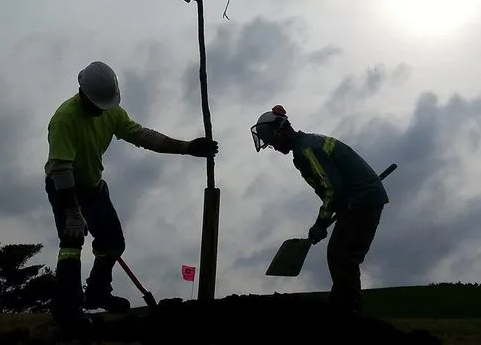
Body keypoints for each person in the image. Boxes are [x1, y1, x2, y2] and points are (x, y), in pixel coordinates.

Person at [44, 60, 219, 329]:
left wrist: (187, 147)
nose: (100, 110)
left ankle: (97, 293)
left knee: (113, 242)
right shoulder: (64, 119)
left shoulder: (111, 112)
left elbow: (143, 136)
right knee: (71, 243)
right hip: (64, 187)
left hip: (93, 187)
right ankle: (67, 309)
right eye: (96, 105)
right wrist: (72, 212)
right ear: (82, 93)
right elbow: (61, 168)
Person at [249, 104, 388, 314]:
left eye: (274, 141)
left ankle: (347, 308)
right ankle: (343, 304)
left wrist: (321, 223)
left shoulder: (307, 150)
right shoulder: (307, 145)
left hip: (362, 201)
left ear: (284, 130)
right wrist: (327, 218)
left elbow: (333, 189)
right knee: (341, 253)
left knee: (342, 254)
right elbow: (332, 190)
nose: (275, 148)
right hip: (358, 201)